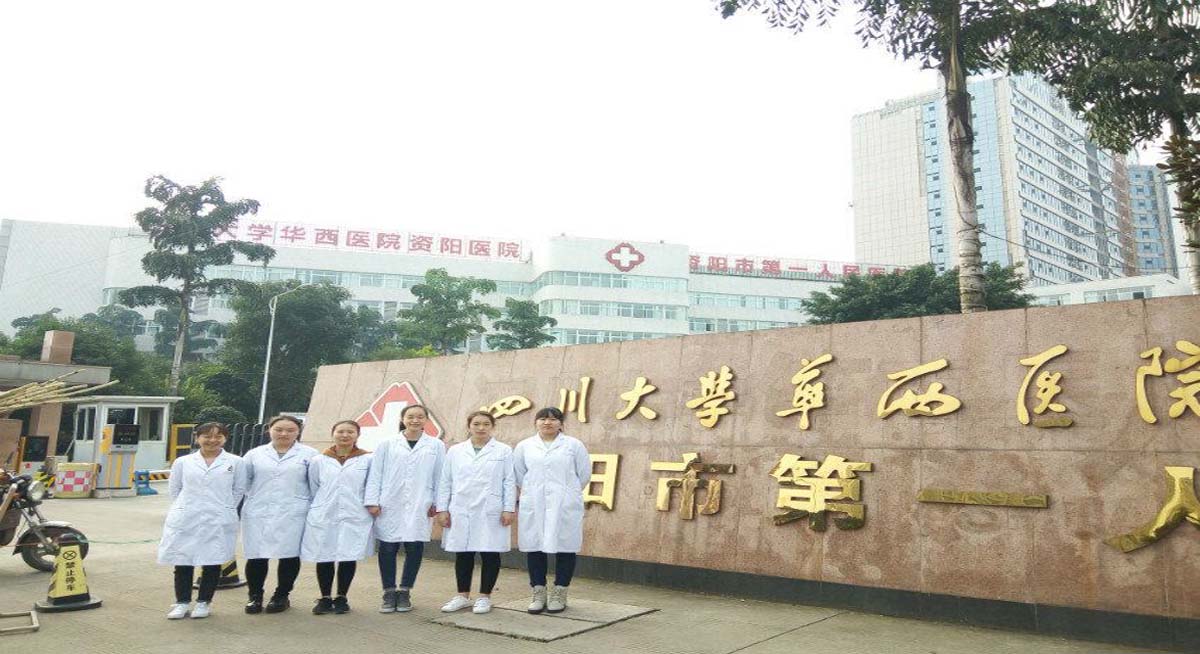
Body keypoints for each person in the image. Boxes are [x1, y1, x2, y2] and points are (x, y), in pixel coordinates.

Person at [158, 422, 247, 620]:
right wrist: (187, 507)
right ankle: (182, 602)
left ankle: (203, 602)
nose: (212, 440)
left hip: (218, 518)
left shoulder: (236, 462)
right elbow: (175, 489)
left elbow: (239, 489)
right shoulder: (183, 462)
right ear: (197, 438)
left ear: (225, 439)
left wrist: (223, 508)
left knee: (212, 561)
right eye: (207, 436)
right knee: (183, 560)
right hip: (187, 517)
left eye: (218, 436)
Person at [365, 404, 446, 613]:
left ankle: (405, 591)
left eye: (420, 417)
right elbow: (376, 473)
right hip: (389, 502)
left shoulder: (436, 445)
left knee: (414, 547)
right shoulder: (387, 444)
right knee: (387, 548)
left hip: (421, 502)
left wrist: (437, 503)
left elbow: (440, 476)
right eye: (410, 416)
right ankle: (389, 591)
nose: (415, 420)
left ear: (426, 420)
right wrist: (372, 501)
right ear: (403, 419)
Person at [435, 411, 515, 615]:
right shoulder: (455, 451)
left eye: (486, 424)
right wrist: (442, 508)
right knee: (463, 552)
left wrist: (508, 508)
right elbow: (445, 481)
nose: (481, 428)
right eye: (476, 424)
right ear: (469, 426)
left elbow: (509, 481)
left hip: (491, 508)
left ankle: (484, 597)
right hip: (461, 507)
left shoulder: (504, 451)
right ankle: (462, 596)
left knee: (490, 552)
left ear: (492, 426)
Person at [513, 407, 590, 614]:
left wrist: (567, 493)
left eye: (553, 419)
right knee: (534, 546)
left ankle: (560, 592)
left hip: (564, 503)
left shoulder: (574, 445)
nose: (548, 422)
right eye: (543, 419)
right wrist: (534, 491)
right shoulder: (524, 446)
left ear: (561, 424)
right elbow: (519, 475)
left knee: (566, 547)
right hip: (534, 502)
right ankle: (538, 592)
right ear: (536, 422)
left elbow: (583, 474)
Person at [240, 415, 319, 614]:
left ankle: (281, 596)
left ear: (298, 432)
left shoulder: (310, 455)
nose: (284, 434)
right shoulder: (254, 454)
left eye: (290, 430)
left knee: (289, 556)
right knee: (256, 555)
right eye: (279, 429)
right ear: (269, 430)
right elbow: (244, 482)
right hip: (259, 511)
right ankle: (255, 596)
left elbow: (315, 485)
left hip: (293, 512)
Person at [301, 420, 373, 615]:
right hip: (325, 513)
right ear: (333, 434)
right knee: (324, 555)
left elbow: (370, 485)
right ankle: (325, 598)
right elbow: (314, 486)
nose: (345, 435)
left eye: (350, 432)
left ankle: (342, 597)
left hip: (354, 513)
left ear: (357, 435)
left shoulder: (367, 459)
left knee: (348, 556)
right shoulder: (319, 460)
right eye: (340, 431)